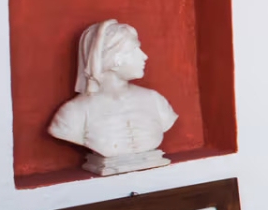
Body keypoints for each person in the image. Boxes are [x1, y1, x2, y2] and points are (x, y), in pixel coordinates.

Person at [47, 20, 178, 175]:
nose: (144, 56)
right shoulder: (74, 112)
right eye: (135, 50)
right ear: (114, 59)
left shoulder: (155, 100)